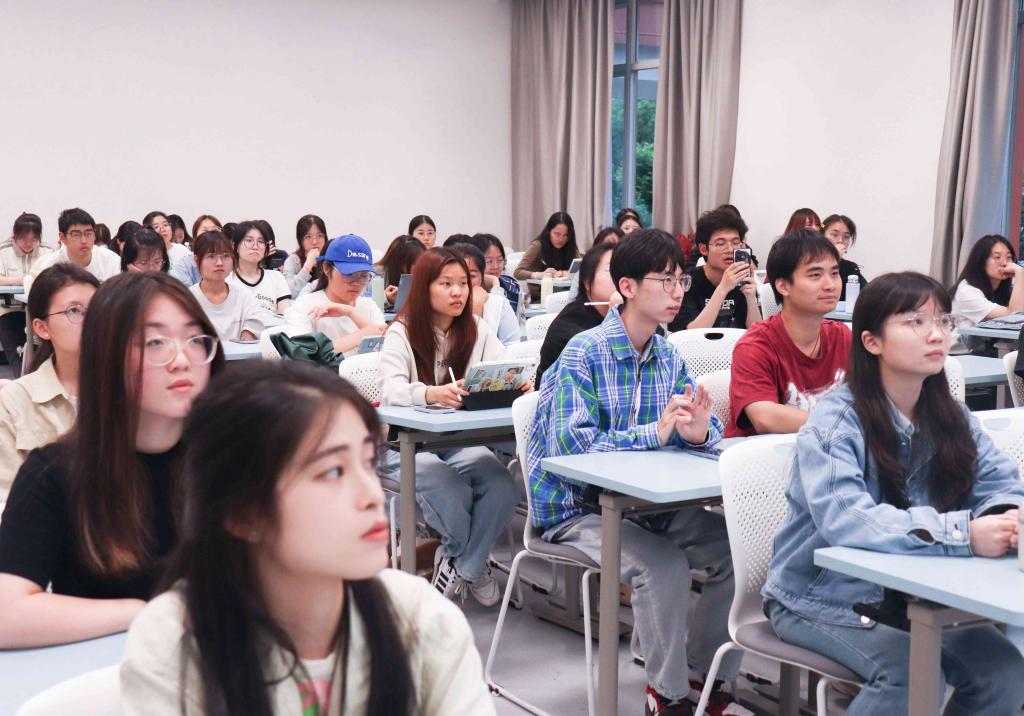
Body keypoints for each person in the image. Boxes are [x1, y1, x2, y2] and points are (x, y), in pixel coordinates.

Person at [119, 361, 493, 715]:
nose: (372, 495)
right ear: (242, 513)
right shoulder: (175, 642)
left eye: (368, 463)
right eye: (332, 472)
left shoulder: (420, 619)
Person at [763, 272, 1024, 715]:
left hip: (915, 592)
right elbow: (848, 519)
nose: (936, 334)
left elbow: (1001, 483)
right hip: (821, 596)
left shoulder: (951, 415)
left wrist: (1005, 519)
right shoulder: (835, 420)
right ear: (871, 342)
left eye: (942, 321)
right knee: (908, 677)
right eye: (915, 322)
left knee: (1005, 672)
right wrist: (964, 534)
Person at [528, 229, 743, 716]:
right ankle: (667, 696)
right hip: (576, 508)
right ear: (626, 287)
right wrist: (655, 433)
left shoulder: (667, 353)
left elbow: (692, 426)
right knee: (661, 566)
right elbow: (571, 449)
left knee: (736, 553)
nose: (677, 292)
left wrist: (697, 433)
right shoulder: (584, 352)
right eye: (664, 281)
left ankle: (704, 678)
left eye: (680, 280)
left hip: (645, 503)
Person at [0, 272, 224, 648]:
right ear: (106, 355)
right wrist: (143, 612)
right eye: (155, 342)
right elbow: (6, 612)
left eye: (195, 339)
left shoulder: (229, 458)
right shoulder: (55, 472)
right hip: (106, 668)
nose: (182, 359)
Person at [377, 248, 519, 607]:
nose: (458, 292)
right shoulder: (401, 332)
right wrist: (430, 393)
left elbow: (503, 366)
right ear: (424, 288)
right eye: (446, 284)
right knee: (447, 485)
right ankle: (471, 560)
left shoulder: (476, 329)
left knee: (502, 484)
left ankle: (462, 565)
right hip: (401, 445)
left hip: (454, 440)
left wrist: (516, 383)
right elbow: (391, 390)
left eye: (463, 284)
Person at [727, 229, 851, 438]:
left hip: (824, 452)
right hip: (762, 455)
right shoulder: (755, 345)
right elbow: (764, 417)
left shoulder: (842, 337)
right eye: (815, 275)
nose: (830, 285)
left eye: (834, 273)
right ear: (783, 286)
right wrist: (843, 425)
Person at [0, 264, 99, 499]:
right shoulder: (15, 402)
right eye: (74, 311)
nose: (92, 321)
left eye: (97, 309)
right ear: (42, 328)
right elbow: (7, 499)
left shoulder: (130, 391)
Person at [284, 234, 386, 356]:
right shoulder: (306, 306)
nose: (357, 283)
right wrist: (362, 334)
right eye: (349, 274)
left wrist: (350, 312)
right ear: (327, 268)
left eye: (364, 276)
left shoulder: (369, 306)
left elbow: (386, 344)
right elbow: (303, 355)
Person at [537, 241, 620, 381]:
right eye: (611, 270)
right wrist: (616, 318)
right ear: (587, 282)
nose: (621, 278)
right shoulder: (569, 327)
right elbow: (605, 367)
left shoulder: (626, 314)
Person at [668, 208, 761, 332]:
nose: (730, 249)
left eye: (735, 242)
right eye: (721, 243)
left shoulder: (742, 280)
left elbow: (757, 332)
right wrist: (723, 289)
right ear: (703, 249)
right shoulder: (687, 282)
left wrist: (751, 298)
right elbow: (691, 334)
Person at [189, 231, 263, 342]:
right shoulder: (187, 298)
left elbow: (253, 329)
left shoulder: (244, 297)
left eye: (225, 256)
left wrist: (246, 337)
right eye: (211, 256)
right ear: (196, 260)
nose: (219, 263)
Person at [0, 213, 52, 370]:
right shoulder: (4, 251)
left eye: (34, 239)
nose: (29, 244)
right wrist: (22, 280)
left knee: (43, 355)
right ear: (14, 236)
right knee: (18, 355)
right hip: (9, 309)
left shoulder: (47, 252)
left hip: (40, 311)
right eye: (23, 239)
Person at [950, 234, 1024, 334]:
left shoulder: (1008, 286)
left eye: (1009, 257)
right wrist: (1019, 272)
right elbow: (1015, 317)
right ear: (981, 261)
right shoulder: (967, 291)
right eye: (997, 257)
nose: (1005, 263)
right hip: (960, 344)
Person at [450, 243, 521, 346]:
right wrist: (476, 307)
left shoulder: (498, 304)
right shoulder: (440, 306)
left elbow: (513, 345)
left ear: (482, 277)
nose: (465, 281)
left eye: (471, 276)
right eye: (457, 275)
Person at [30, 207, 120, 281]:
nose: (84, 241)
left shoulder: (111, 261)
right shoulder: (50, 267)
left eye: (88, 233)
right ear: (62, 238)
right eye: (76, 235)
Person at [228, 220, 292, 314]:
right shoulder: (226, 280)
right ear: (235, 246)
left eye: (261, 241)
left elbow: (286, 314)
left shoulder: (276, 278)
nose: (255, 246)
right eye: (249, 240)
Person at [513, 211, 580, 282]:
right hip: (540, 288)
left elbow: (583, 270)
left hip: (566, 288)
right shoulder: (537, 246)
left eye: (565, 235)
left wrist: (564, 273)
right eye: (557, 234)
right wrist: (540, 275)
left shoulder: (570, 246)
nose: (561, 239)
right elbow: (518, 273)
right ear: (549, 231)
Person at [470, 233, 521, 311]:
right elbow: (495, 314)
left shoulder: (512, 286)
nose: (496, 266)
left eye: (500, 260)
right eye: (489, 261)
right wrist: (494, 281)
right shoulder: (468, 290)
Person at [822, 213, 867, 302]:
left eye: (846, 237)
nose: (840, 241)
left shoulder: (850, 267)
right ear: (821, 236)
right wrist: (833, 258)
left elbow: (868, 294)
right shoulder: (810, 263)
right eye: (834, 235)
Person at [283, 214, 328, 298]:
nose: (314, 242)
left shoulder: (331, 259)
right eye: (308, 237)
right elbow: (288, 293)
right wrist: (307, 267)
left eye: (319, 235)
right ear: (300, 240)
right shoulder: (293, 260)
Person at [144, 211, 194, 284]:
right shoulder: (146, 253)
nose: (163, 229)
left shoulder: (182, 250)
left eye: (165, 225)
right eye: (156, 227)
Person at [376, 235, 425, 307]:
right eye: (416, 263)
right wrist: (386, 299)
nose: (421, 267)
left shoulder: (424, 274)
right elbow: (365, 304)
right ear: (401, 263)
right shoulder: (375, 274)